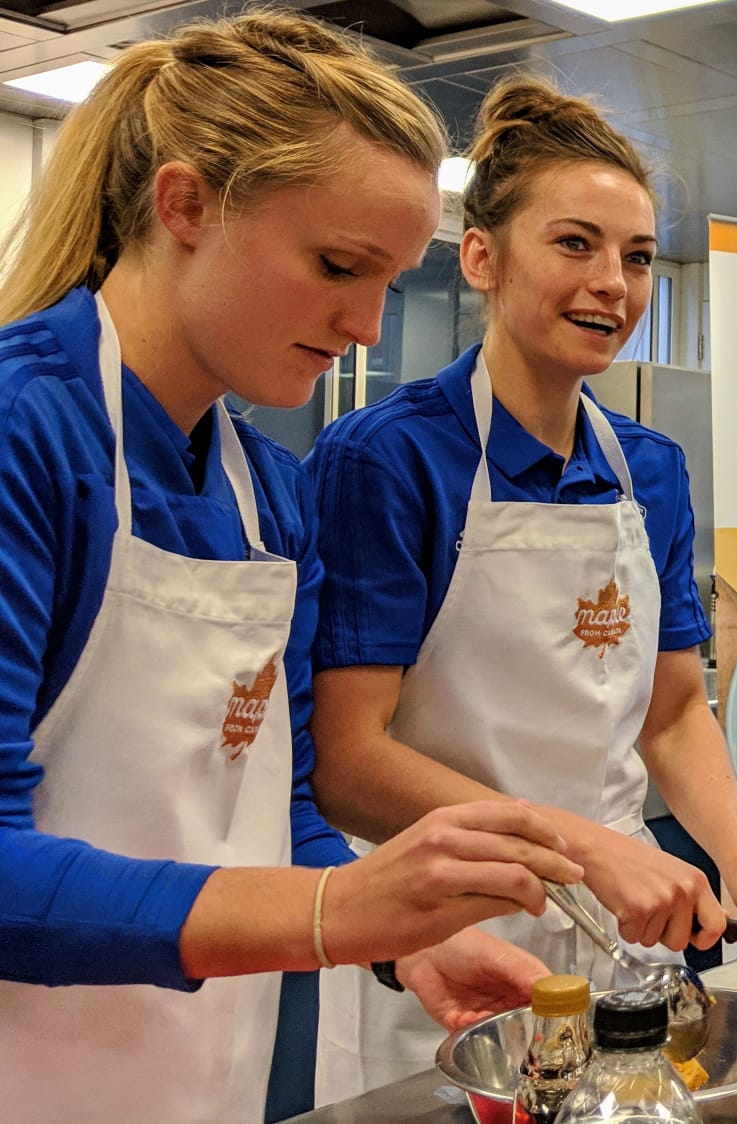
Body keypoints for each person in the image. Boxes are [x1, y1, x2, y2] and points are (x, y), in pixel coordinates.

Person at [0, 13, 588, 1122]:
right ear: (182, 206)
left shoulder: (268, 491)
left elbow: (260, 804)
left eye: (389, 280)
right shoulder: (28, 435)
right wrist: (329, 908)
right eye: (335, 266)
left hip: (195, 1081)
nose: (366, 325)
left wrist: (409, 941)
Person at [305, 74, 737, 1099]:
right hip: (443, 947)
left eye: (638, 256)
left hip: (624, 947)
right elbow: (348, 761)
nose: (613, 280)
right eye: (574, 244)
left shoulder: (647, 468)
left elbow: (672, 708)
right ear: (482, 255)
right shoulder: (388, 460)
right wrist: (582, 851)